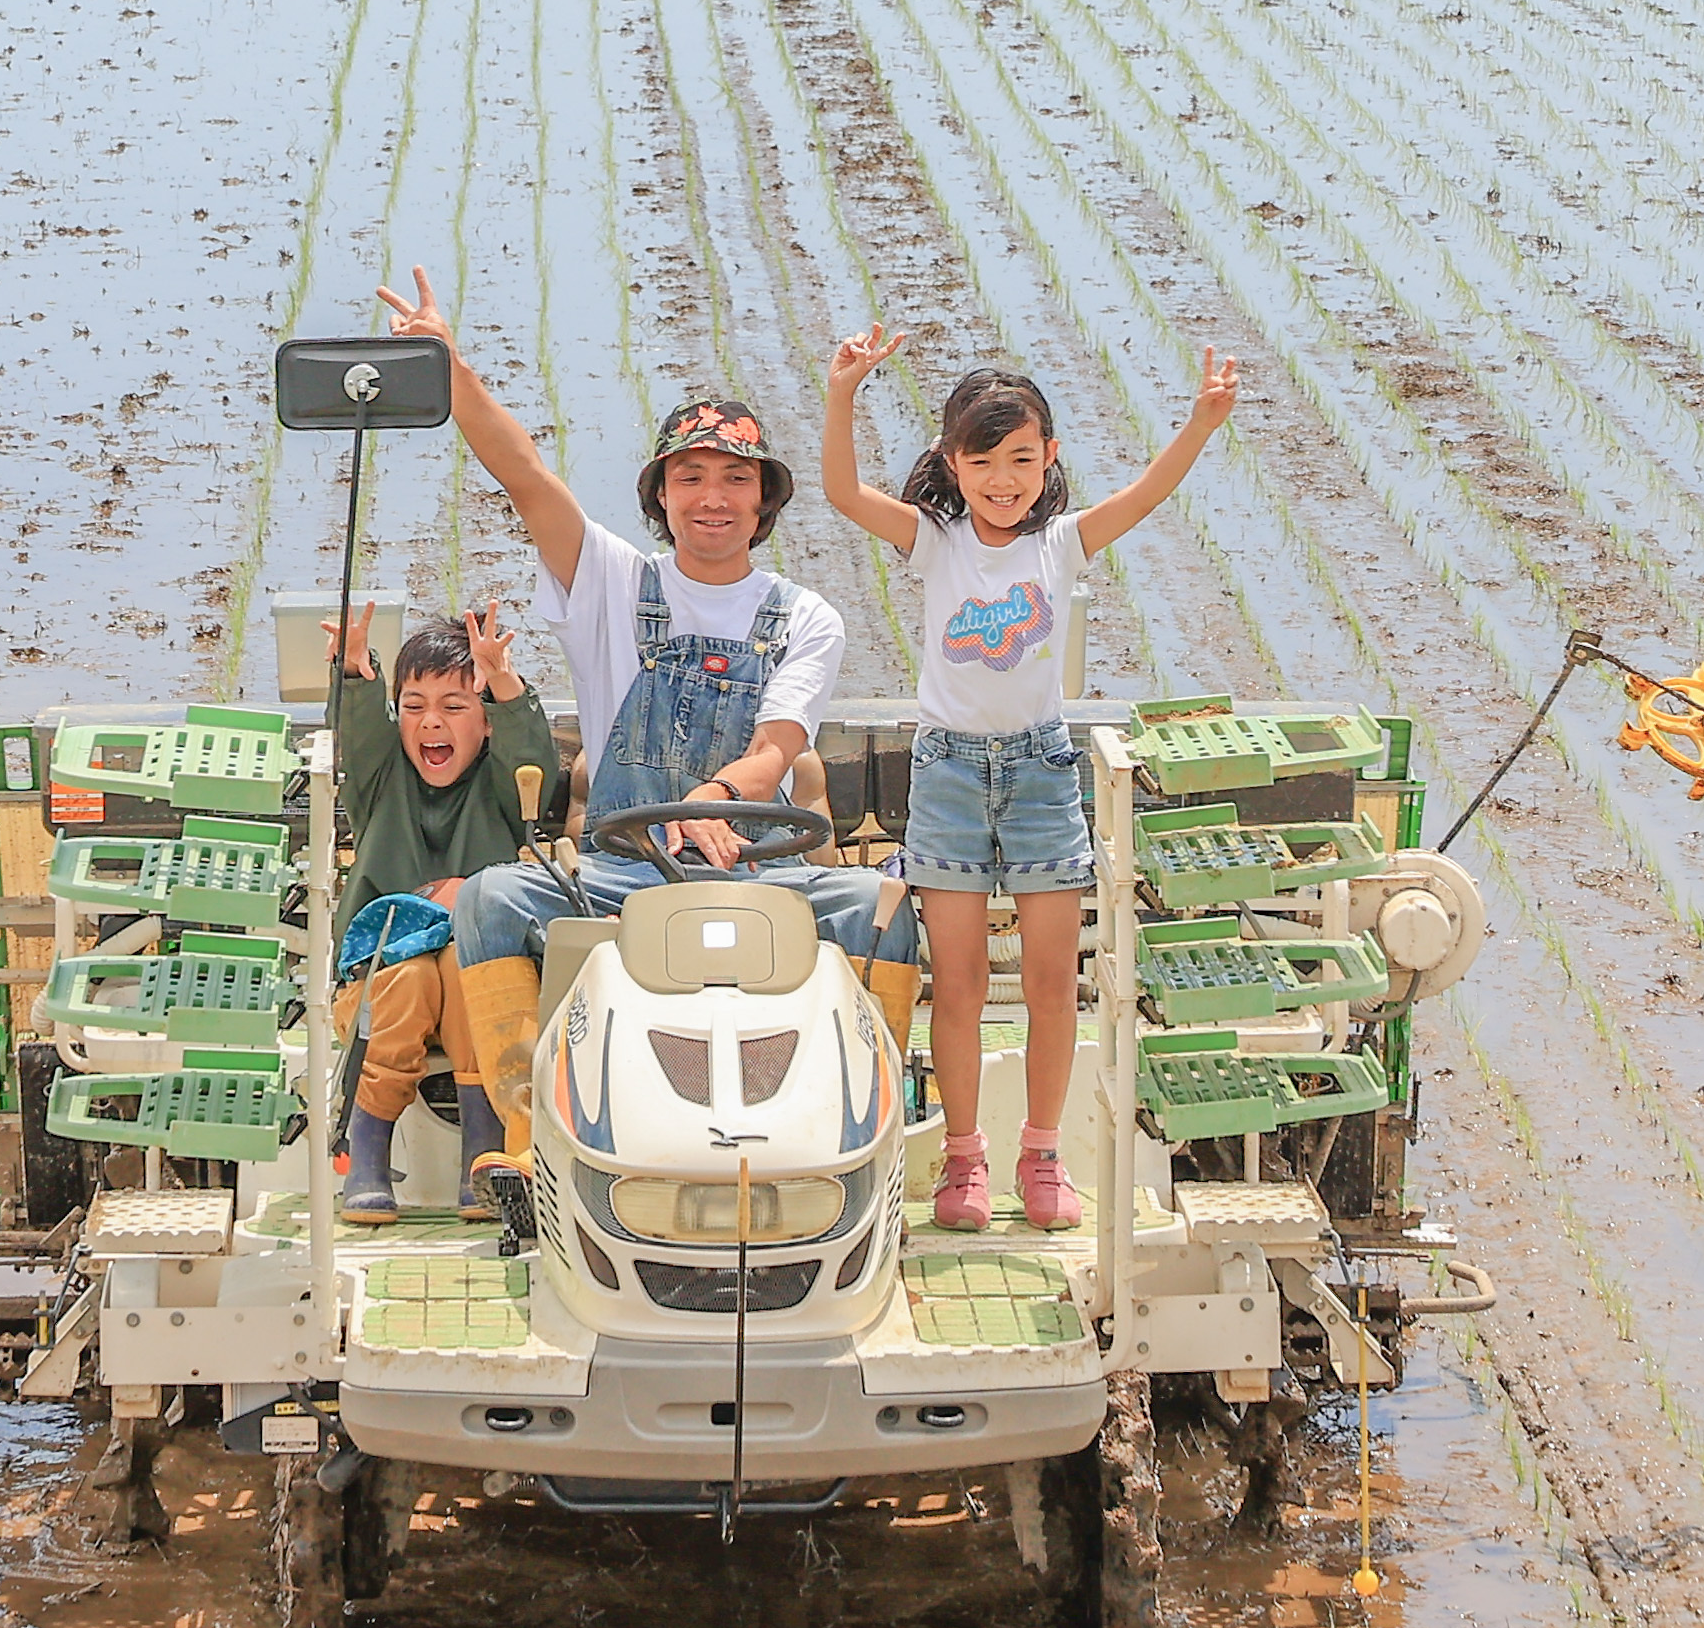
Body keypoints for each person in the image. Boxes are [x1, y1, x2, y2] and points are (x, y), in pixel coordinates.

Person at [379, 269, 920, 1193]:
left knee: (883, 909)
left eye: (736, 479)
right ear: (661, 496)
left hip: (761, 876)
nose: (714, 497)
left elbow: (777, 748)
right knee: (492, 901)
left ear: (764, 501)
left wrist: (716, 799)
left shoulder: (806, 617)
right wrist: (450, 365)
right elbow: (524, 476)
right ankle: (524, 1134)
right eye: (690, 477)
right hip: (623, 878)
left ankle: (869, 1134)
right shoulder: (613, 583)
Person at [822, 332, 1240, 1230]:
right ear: (952, 463)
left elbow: (1146, 494)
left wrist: (1202, 423)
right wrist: (843, 393)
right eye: (981, 461)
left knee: (1054, 983)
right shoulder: (936, 542)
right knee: (960, 983)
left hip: (1042, 773)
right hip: (948, 774)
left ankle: (1043, 1156)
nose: (1002, 479)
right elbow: (844, 494)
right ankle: (964, 1162)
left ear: (1049, 456)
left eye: (1020, 458)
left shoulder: (1060, 543)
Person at [324, 603, 560, 1223]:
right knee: (412, 977)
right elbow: (359, 731)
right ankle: (367, 1151)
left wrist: (502, 679)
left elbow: (532, 760)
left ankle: (481, 1150)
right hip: (380, 982)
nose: (432, 722)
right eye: (414, 706)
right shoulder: (381, 780)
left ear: (487, 724)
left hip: (476, 983)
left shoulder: (504, 790)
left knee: (462, 967)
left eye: (455, 707)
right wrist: (355, 669)